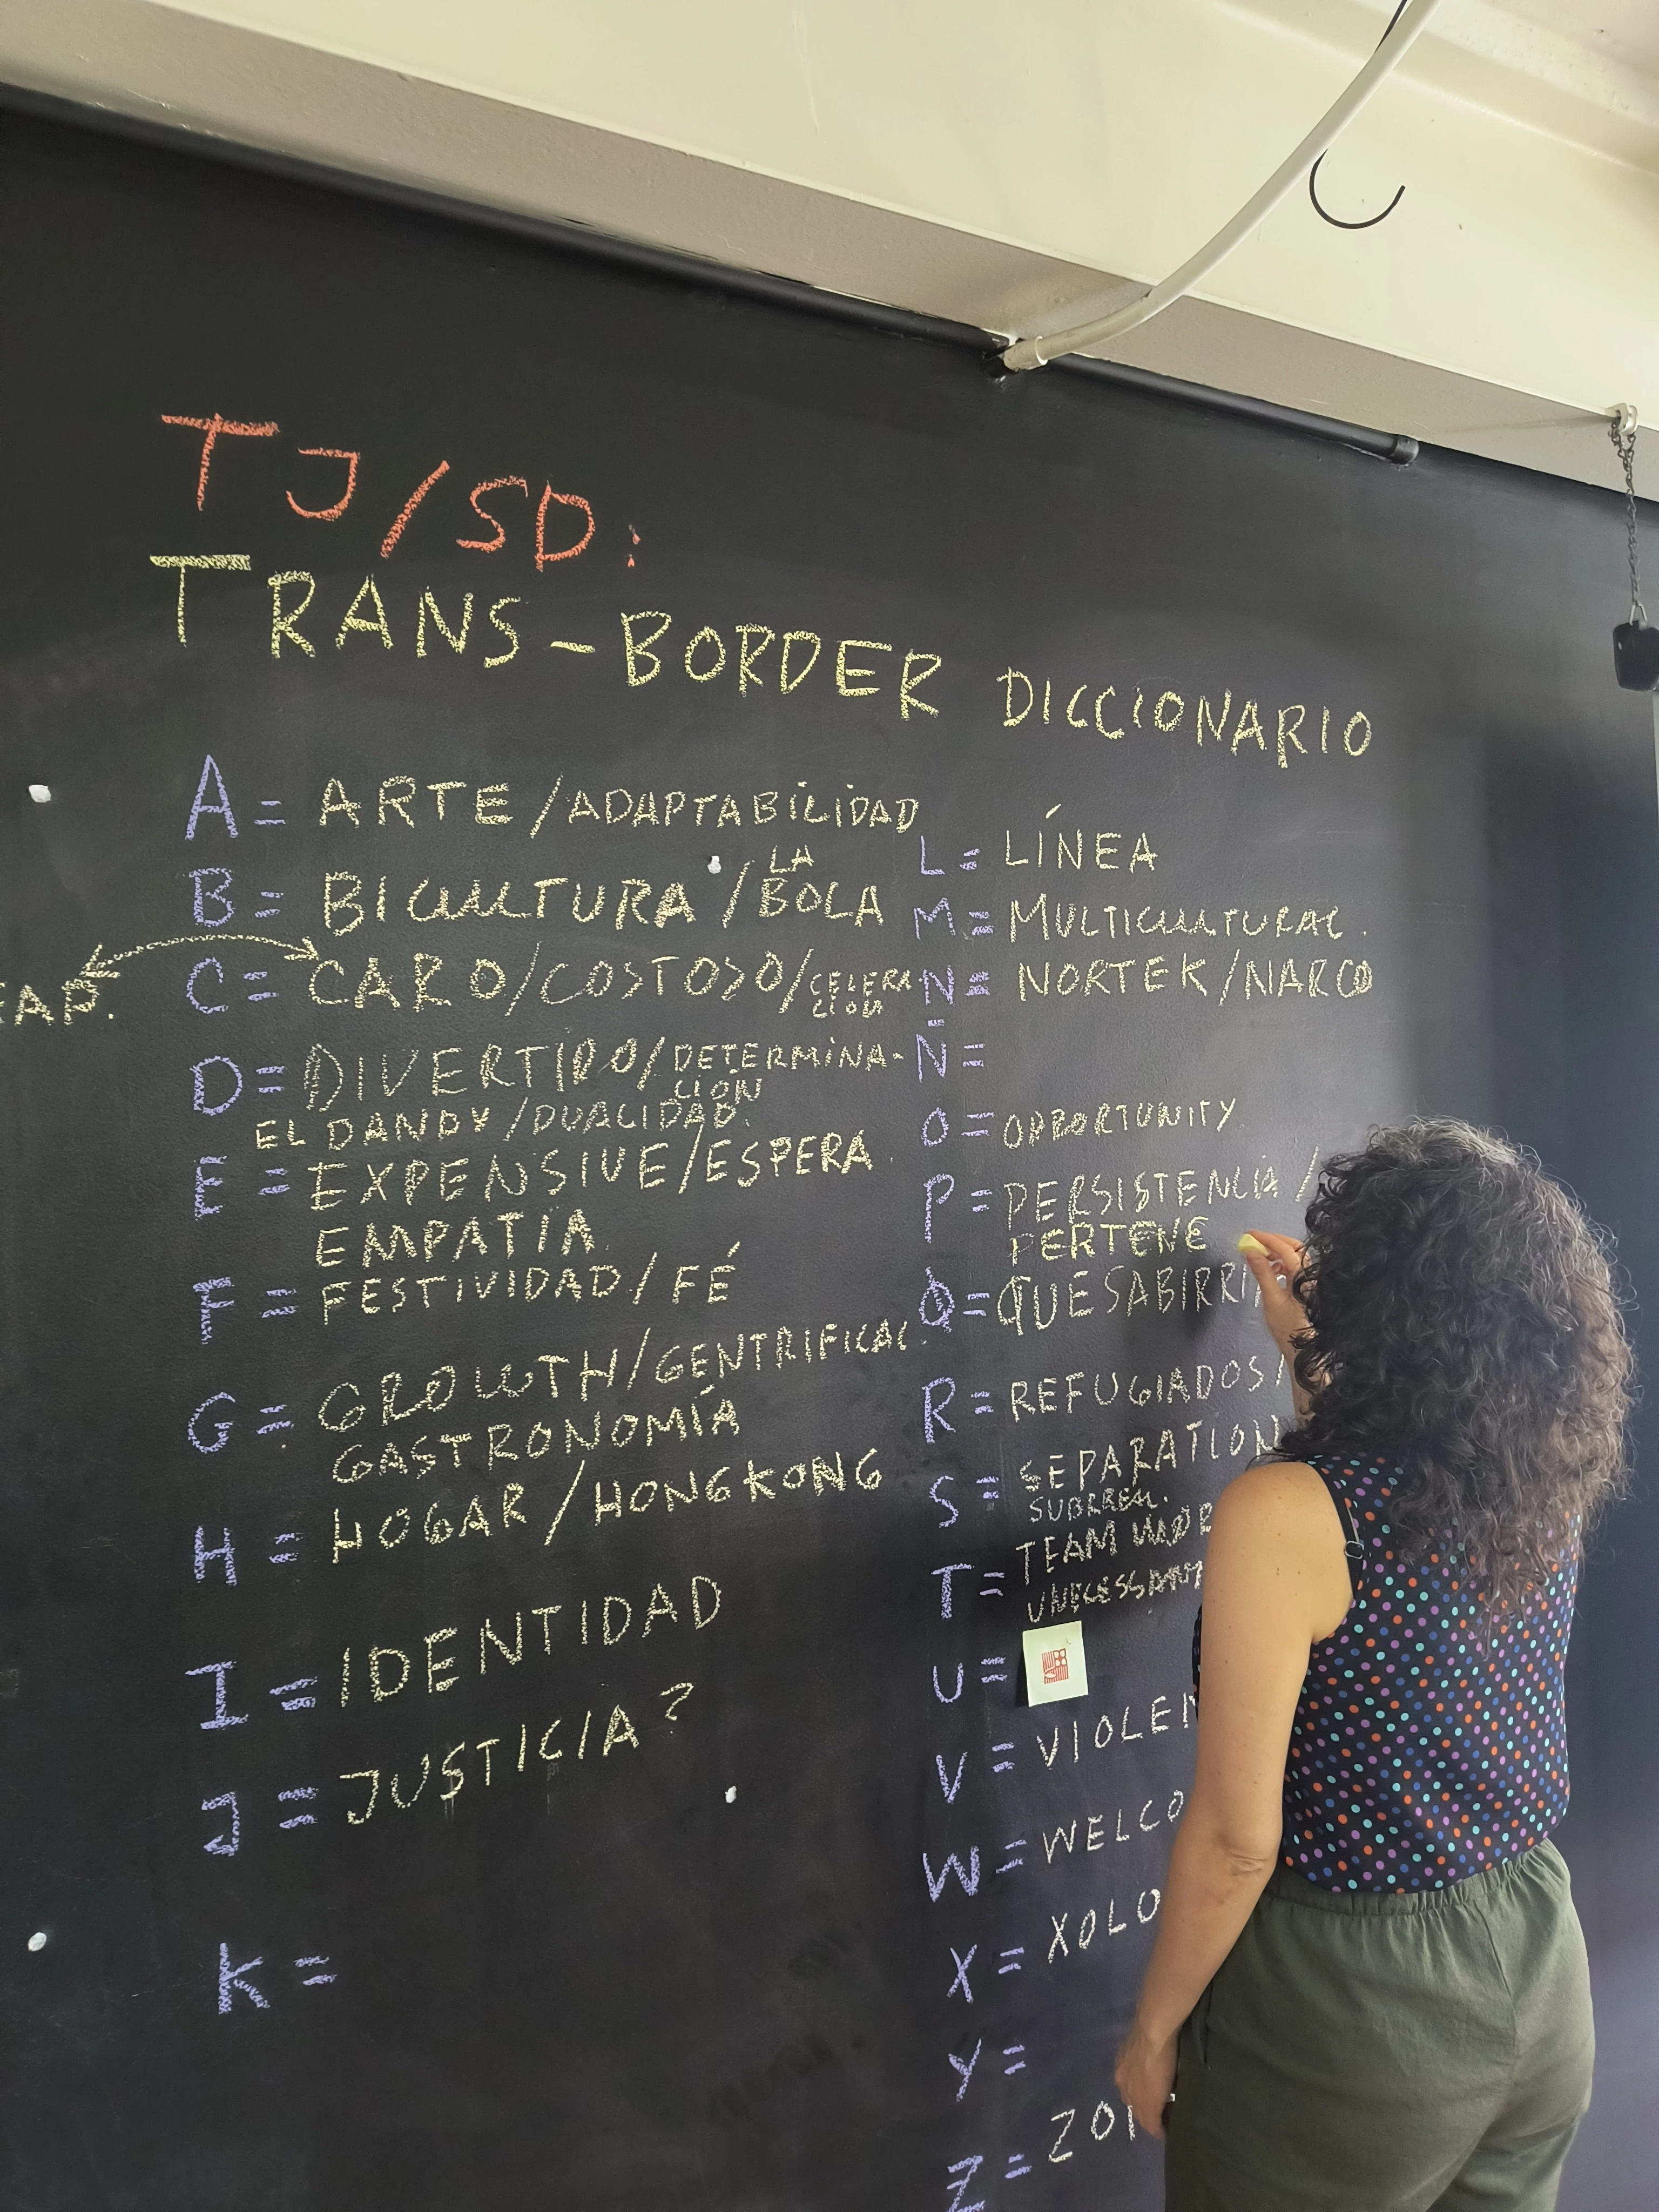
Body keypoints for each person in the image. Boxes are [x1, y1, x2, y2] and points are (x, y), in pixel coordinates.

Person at [1113, 1120, 1633, 2211]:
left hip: (1353, 2008)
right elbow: (1380, 1524)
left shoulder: (1281, 1515)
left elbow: (1235, 1840)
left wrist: (1155, 2028)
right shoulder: (1540, 1466)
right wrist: (1307, 1355)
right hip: (1537, 1959)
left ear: (1378, 1304)